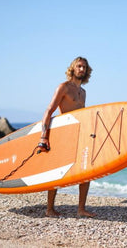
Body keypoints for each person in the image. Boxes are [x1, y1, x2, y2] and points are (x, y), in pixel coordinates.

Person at [38, 56, 96, 218]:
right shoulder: (63, 87)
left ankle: (81, 209)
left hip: (79, 134)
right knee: (56, 172)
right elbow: (49, 111)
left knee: (86, 170)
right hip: (63, 134)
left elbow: (81, 116)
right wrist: (44, 136)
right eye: (79, 66)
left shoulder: (83, 92)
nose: (82, 69)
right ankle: (49, 209)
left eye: (84, 67)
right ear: (73, 68)